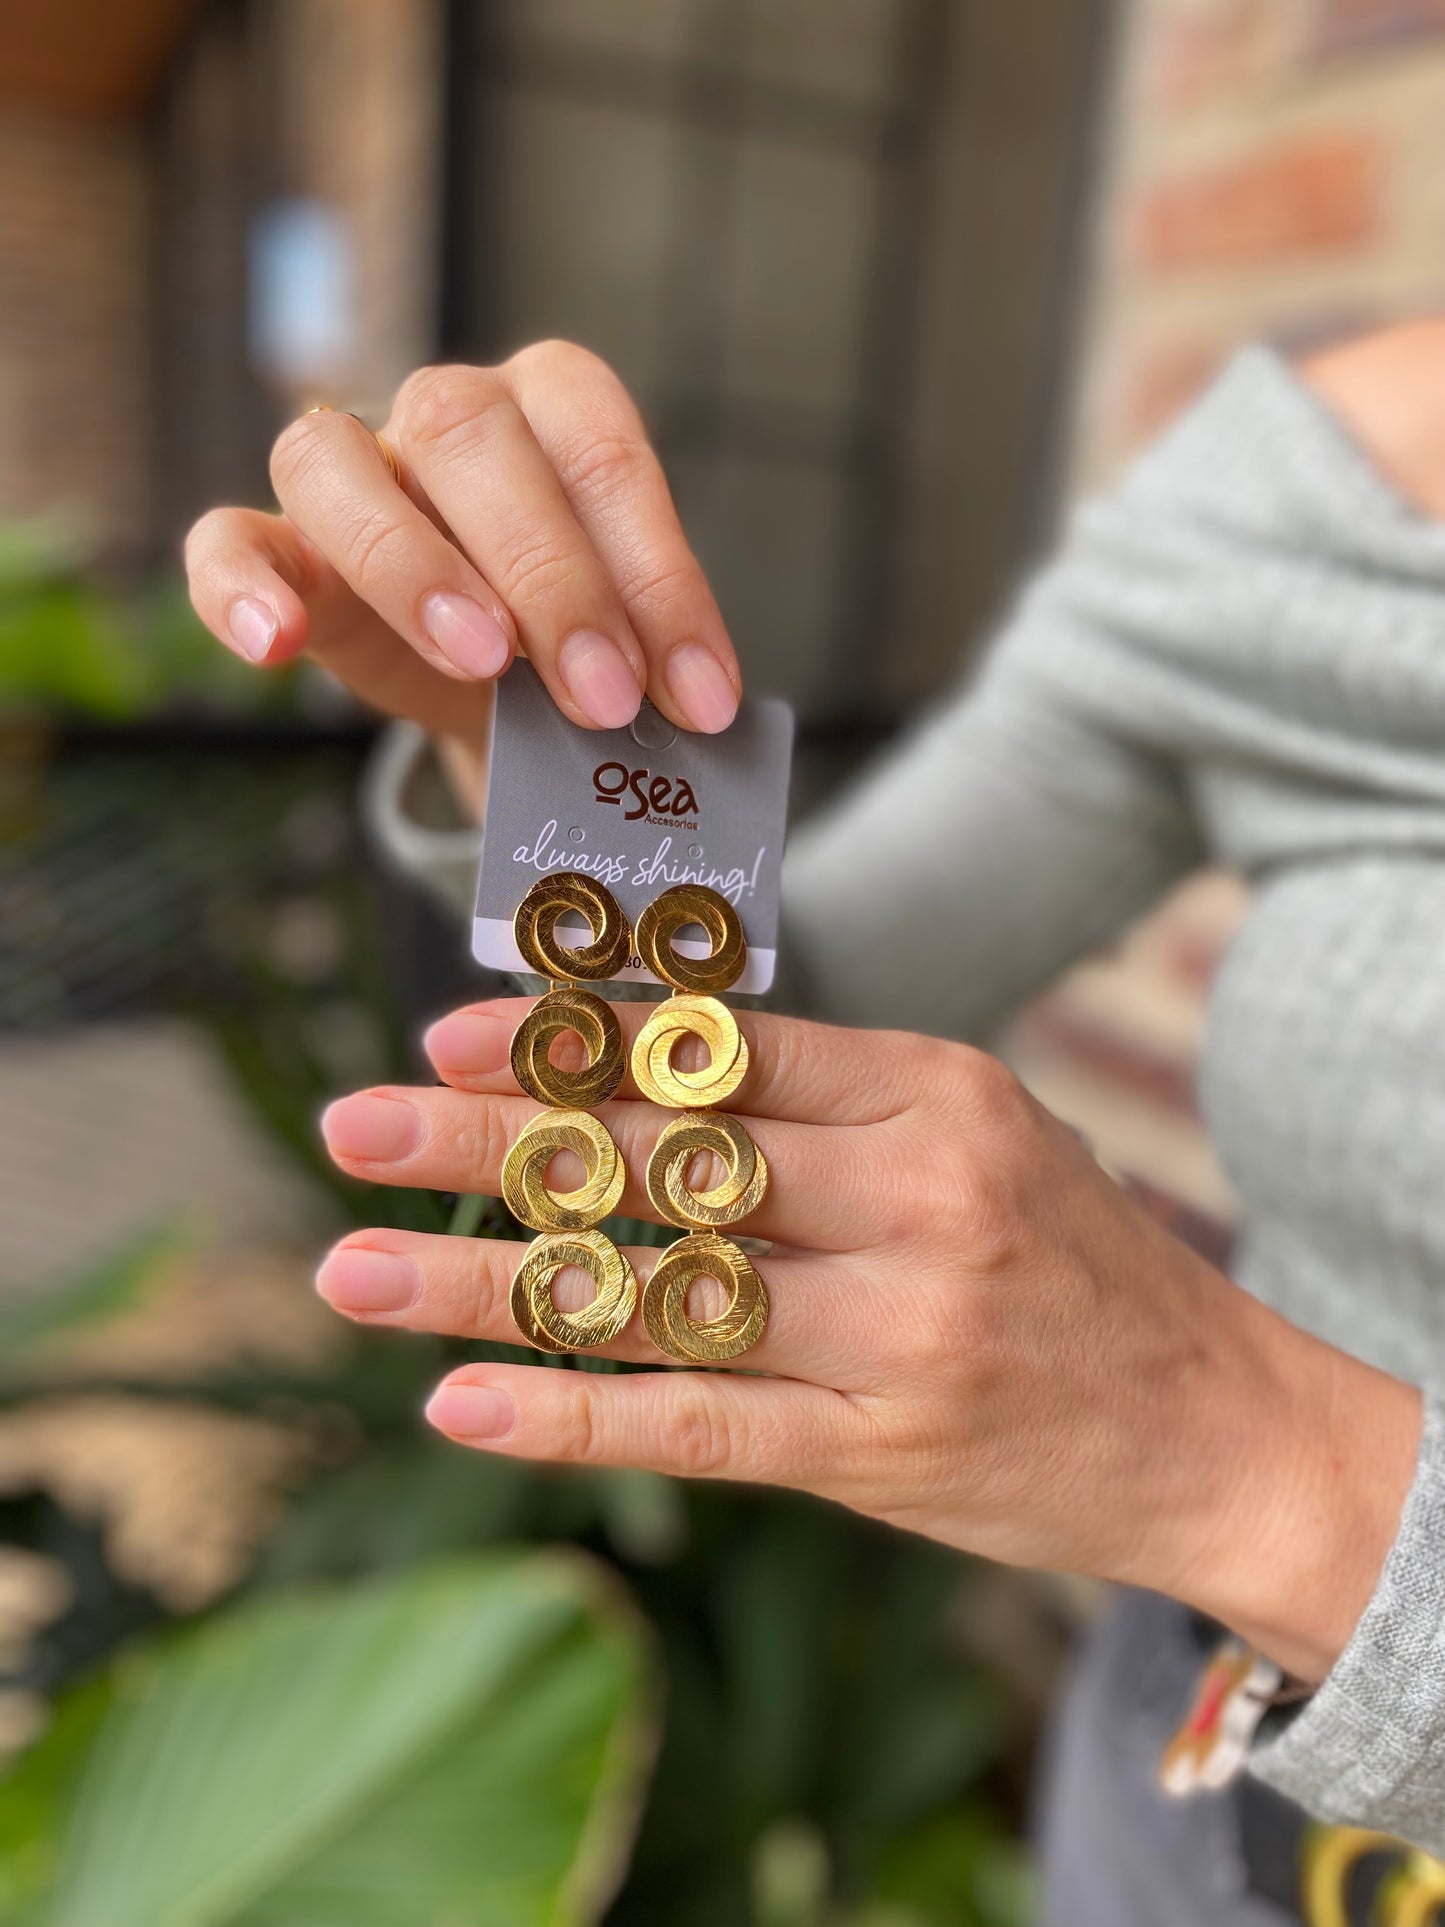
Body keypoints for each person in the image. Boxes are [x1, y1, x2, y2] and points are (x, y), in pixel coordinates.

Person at [186, 321, 1445, 1922]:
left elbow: (1254, 1458)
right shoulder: (1323, 487)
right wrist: (555, 759)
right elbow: (803, 1017)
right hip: (1187, 1777)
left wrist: (1275, 1470)